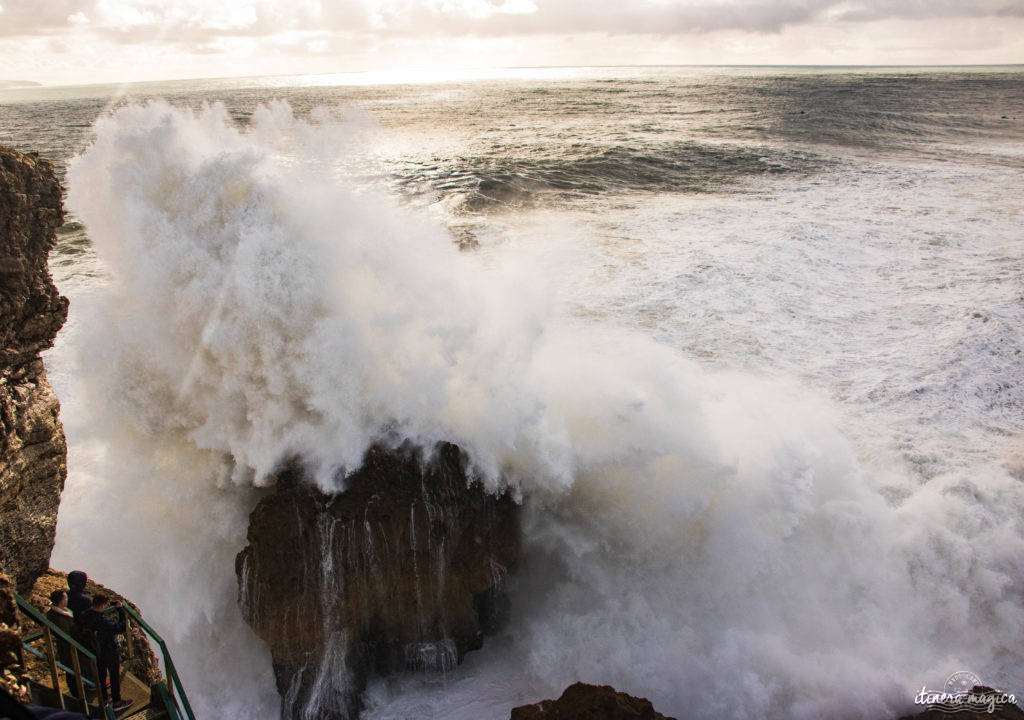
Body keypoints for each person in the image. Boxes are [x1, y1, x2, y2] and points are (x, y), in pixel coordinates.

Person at [83, 595, 132, 713]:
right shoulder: (104, 622)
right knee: (114, 676)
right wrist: (120, 610)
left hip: (95, 651)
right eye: (105, 605)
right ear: (103, 605)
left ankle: (104, 699)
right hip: (109, 651)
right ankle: (117, 703)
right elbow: (120, 628)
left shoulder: (86, 615)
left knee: (100, 675)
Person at [44, 590, 80, 699]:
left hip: (68, 647)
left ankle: (79, 691)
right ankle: (77, 695)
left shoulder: (58, 612)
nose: (67, 599)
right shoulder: (58, 617)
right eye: (65, 598)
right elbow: (67, 634)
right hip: (67, 649)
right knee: (72, 671)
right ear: (61, 600)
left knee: (74, 670)